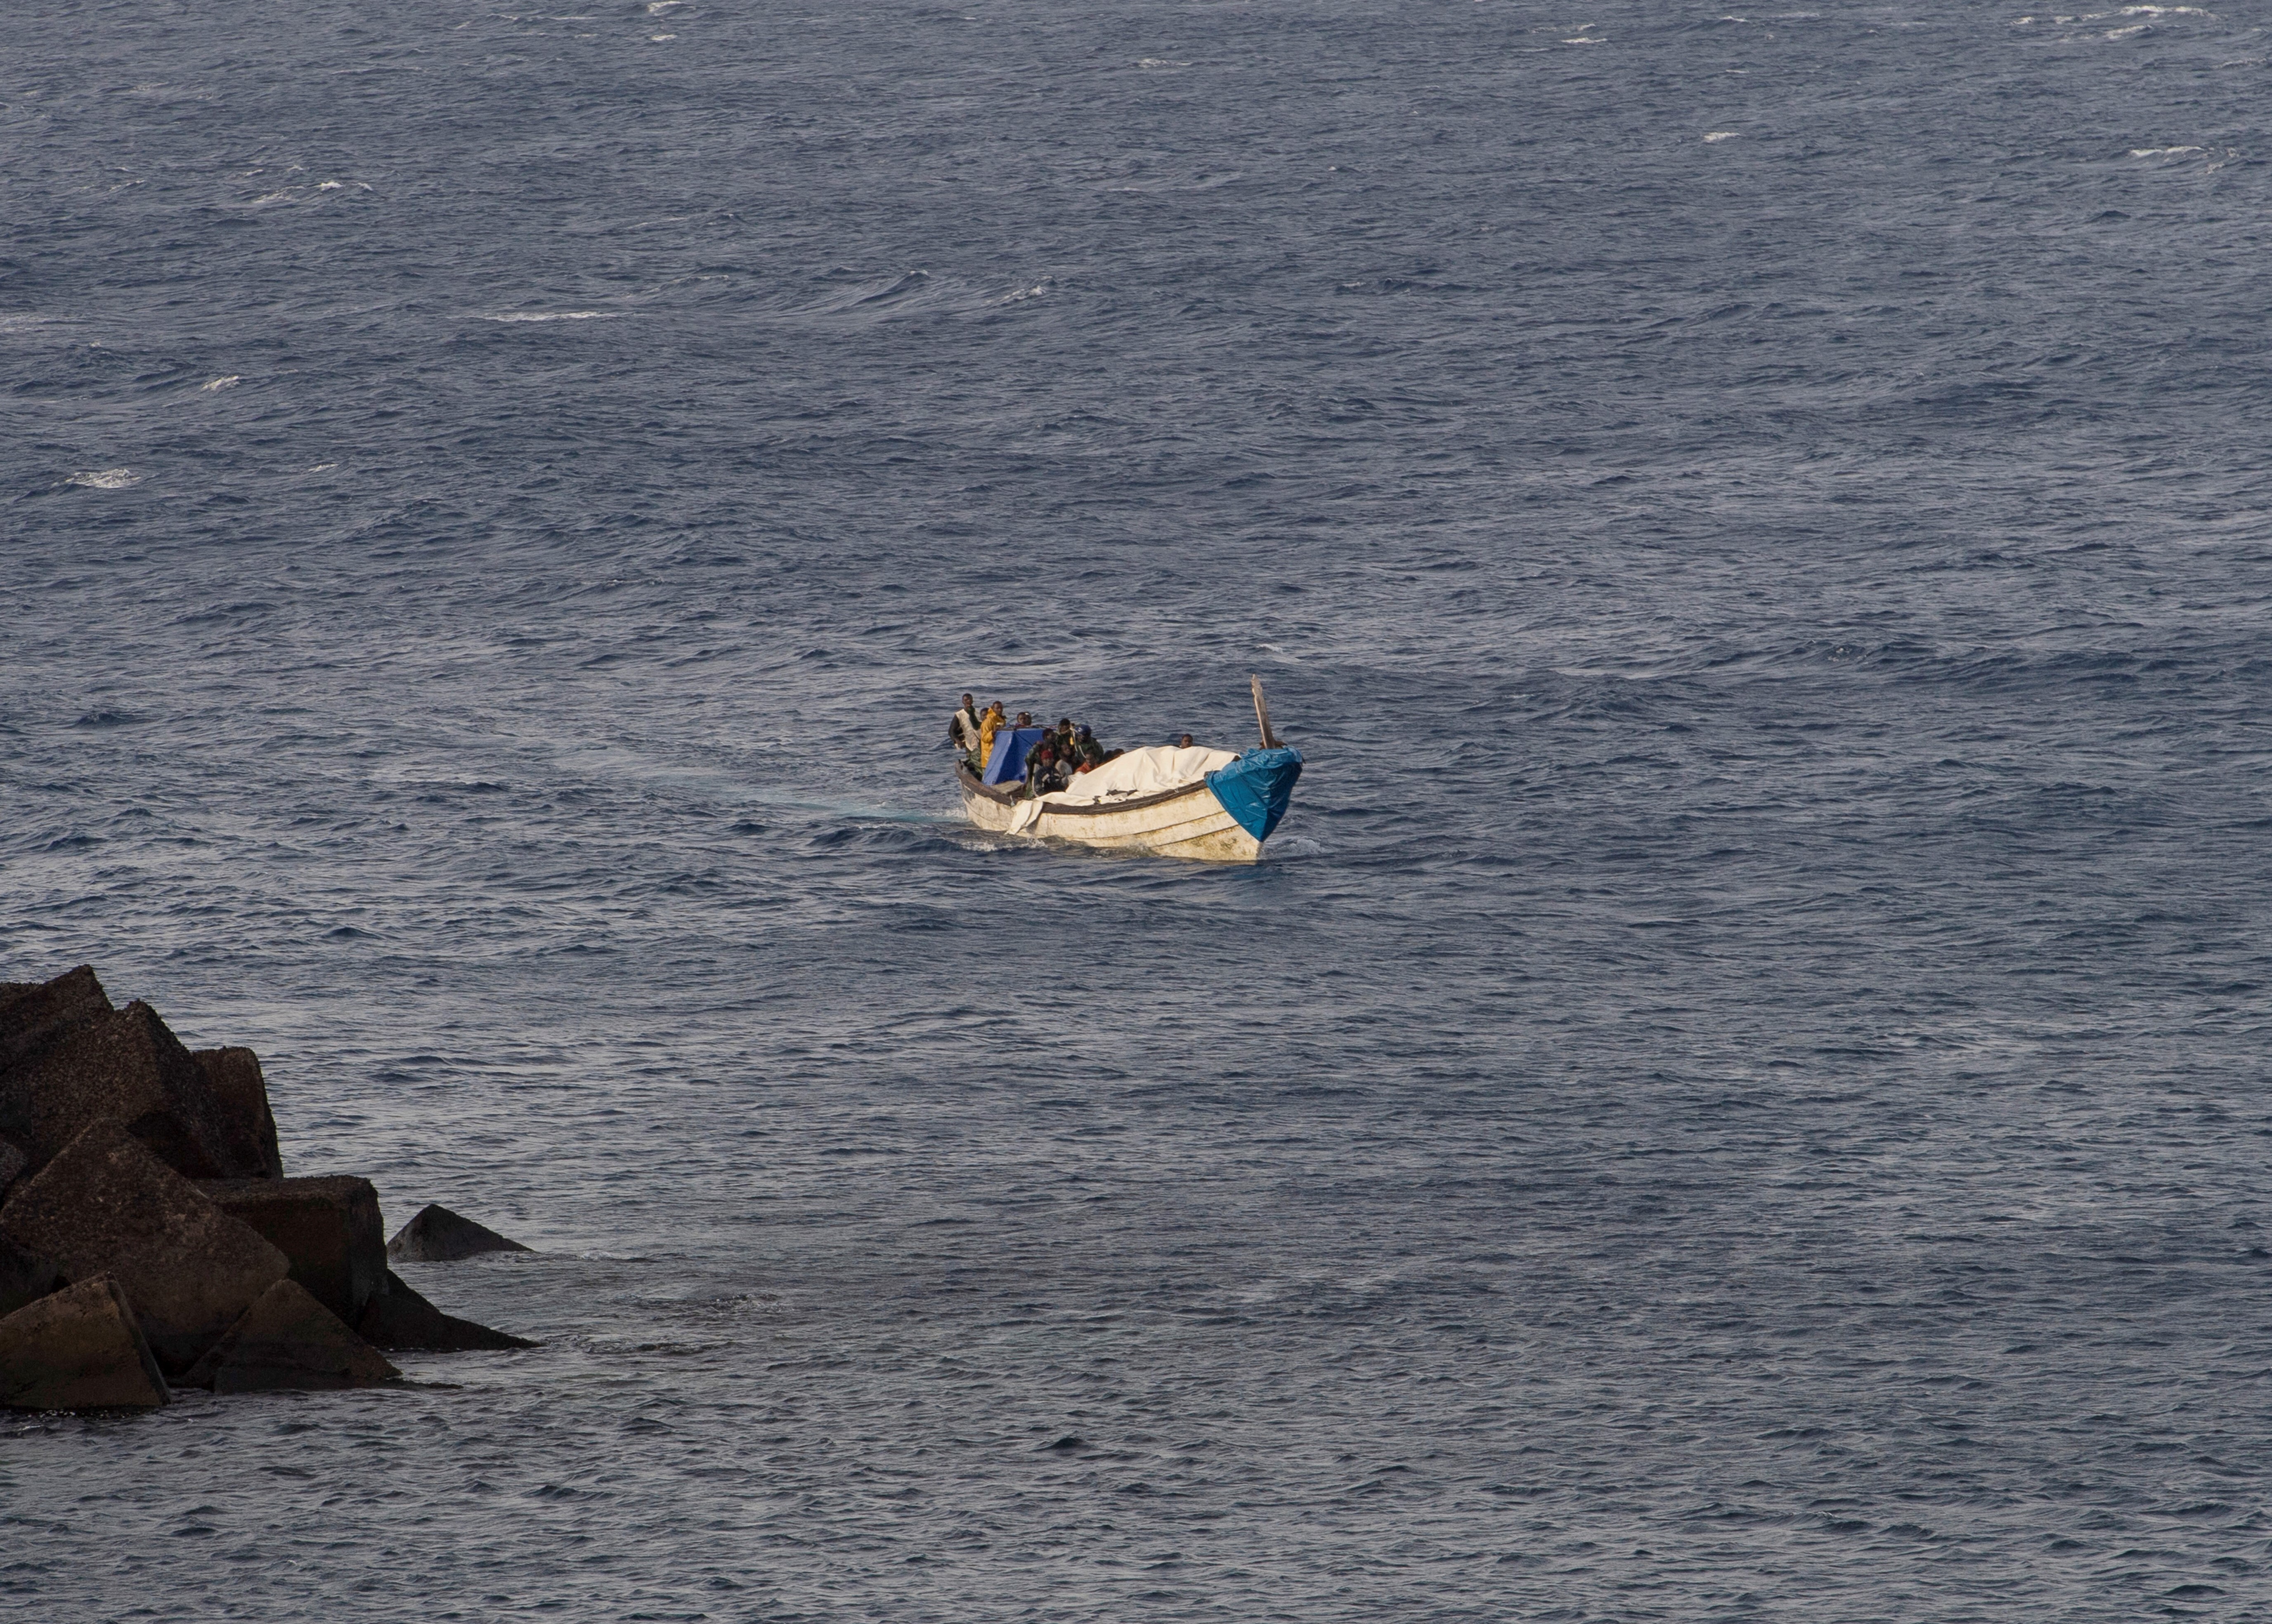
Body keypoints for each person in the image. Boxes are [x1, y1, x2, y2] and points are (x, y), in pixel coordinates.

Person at [947, 693, 982, 763]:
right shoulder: (960, 715)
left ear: (973, 700)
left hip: (981, 740)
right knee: (973, 758)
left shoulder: (978, 712)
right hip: (969, 742)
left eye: (970, 699)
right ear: (963, 702)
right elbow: (952, 731)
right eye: (966, 700)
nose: (968, 701)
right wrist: (957, 740)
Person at [978, 702, 1007, 769]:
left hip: (998, 752)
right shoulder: (989, 721)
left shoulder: (1001, 719)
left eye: (1001, 708)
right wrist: (993, 732)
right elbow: (984, 738)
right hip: (989, 755)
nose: (1000, 710)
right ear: (993, 709)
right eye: (998, 708)